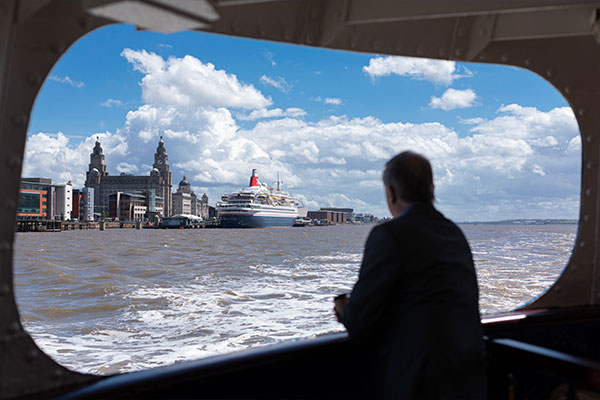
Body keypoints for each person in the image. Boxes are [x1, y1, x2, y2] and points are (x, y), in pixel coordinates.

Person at [338, 151, 486, 399]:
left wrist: (346, 310)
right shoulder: (454, 233)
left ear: (391, 193)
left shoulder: (389, 235)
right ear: (431, 189)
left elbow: (361, 322)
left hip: (418, 383)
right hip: (469, 378)